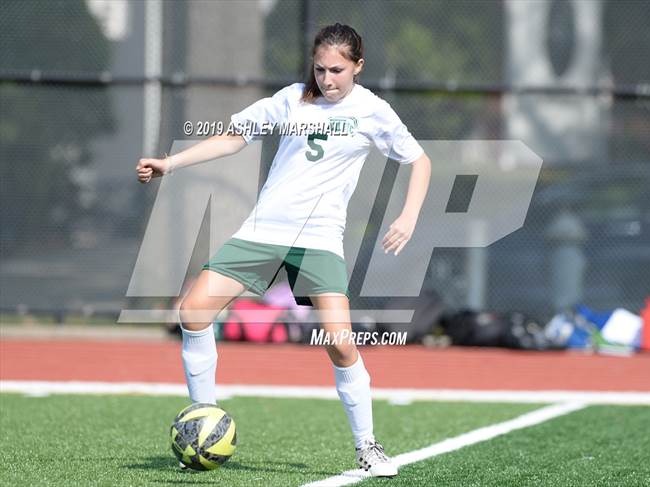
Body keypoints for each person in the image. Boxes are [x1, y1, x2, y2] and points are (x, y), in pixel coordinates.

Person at [136, 23, 431, 478]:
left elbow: (419, 160)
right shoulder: (292, 99)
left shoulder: (373, 110)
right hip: (265, 231)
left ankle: (367, 446)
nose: (327, 79)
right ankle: (204, 425)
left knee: (339, 343)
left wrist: (408, 216)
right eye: (320, 69)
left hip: (319, 239)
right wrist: (169, 163)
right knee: (193, 311)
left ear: (358, 66)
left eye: (337, 70)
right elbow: (234, 136)